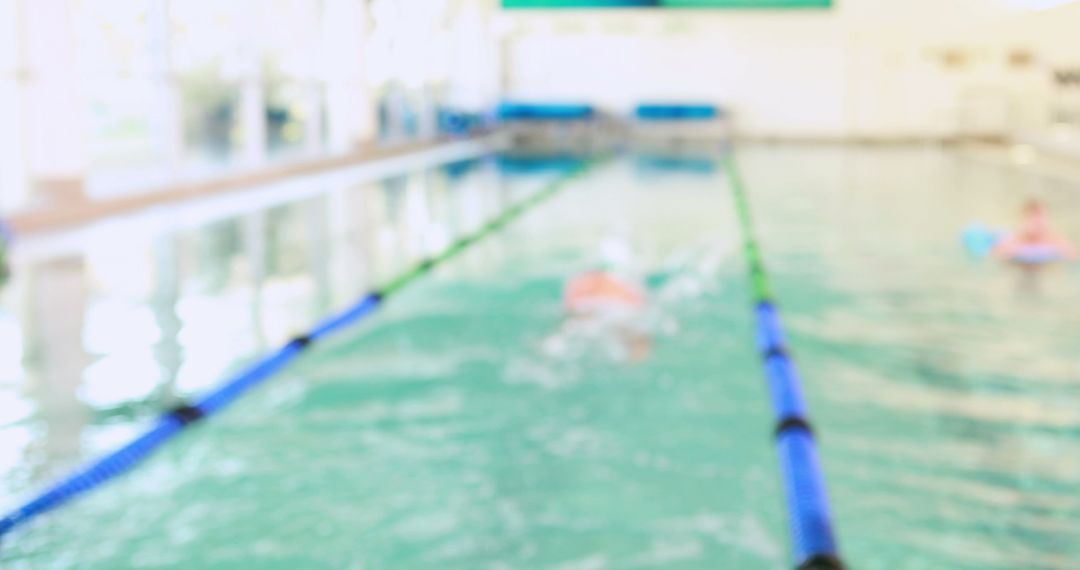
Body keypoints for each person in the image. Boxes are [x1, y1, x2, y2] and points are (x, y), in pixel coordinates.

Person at [993, 200, 1077, 264]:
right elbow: (996, 256)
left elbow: (1075, 257)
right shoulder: (1015, 240)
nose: (1036, 223)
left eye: (1040, 219)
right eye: (1032, 219)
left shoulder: (1055, 241)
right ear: (1023, 221)